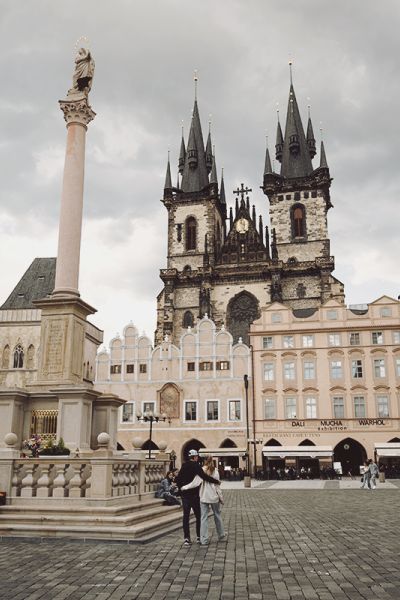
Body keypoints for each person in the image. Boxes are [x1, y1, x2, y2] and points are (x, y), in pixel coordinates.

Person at [175, 449, 220, 547]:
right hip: (194, 495)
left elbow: (177, 479)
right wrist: (215, 481)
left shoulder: (184, 465)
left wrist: (181, 488)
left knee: (185, 517)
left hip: (185, 495)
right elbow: (204, 476)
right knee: (198, 516)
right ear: (195, 457)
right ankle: (199, 537)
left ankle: (187, 538)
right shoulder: (196, 465)